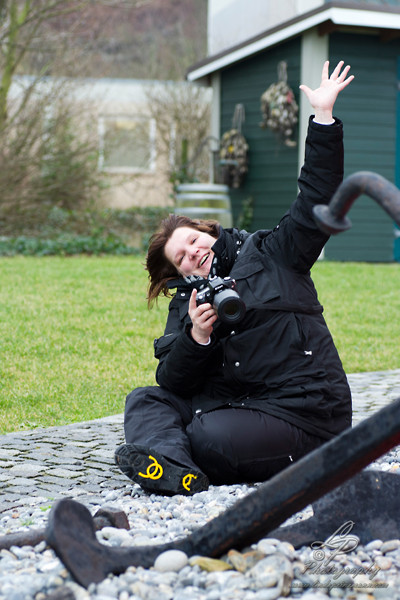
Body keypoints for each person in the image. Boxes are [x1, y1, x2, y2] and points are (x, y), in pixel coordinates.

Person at [114, 60, 354, 496]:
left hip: (305, 411)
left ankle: (176, 454)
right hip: (241, 408)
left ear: (207, 231)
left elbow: (317, 199)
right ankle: (175, 470)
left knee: (208, 435)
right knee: (145, 399)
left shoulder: (273, 253)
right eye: (181, 258)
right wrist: (197, 337)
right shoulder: (187, 304)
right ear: (178, 272)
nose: (193, 253)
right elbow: (174, 382)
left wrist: (322, 119)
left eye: (192, 241)